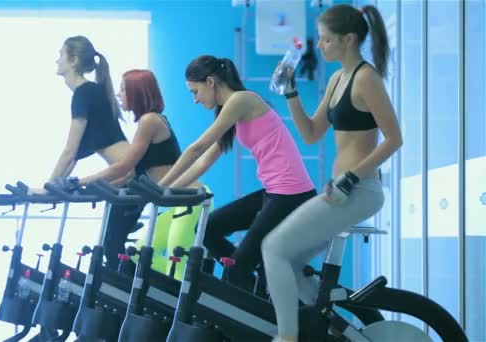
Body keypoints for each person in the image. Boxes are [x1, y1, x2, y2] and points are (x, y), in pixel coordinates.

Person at [261, 5, 403, 341]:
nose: (320, 45)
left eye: (326, 39)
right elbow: (311, 133)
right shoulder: (337, 79)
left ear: (348, 39)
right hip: (341, 190)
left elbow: (395, 139)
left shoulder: (366, 78)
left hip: (360, 189)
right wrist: (290, 92)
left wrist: (352, 176)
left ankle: (287, 337)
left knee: (273, 248)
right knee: (288, 260)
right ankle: (334, 329)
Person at [158, 55, 317, 292]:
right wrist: (168, 192)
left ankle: (254, 283)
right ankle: (258, 281)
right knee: (208, 230)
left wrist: (160, 187)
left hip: (291, 195)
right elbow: (203, 162)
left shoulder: (242, 100)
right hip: (274, 193)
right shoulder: (232, 109)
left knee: (237, 268)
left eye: (195, 91)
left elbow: (197, 147)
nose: (195, 100)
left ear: (210, 81)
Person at [78, 69, 205, 279]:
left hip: (190, 201)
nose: (118, 95)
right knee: (135, 254)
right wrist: (94, 188)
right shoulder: (148, 121)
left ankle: (180, 303)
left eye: (123, 90)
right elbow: (130, 175)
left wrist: (79, 181)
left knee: (179, 265)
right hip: (175, 202)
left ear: (137, 93)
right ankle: (146, 297)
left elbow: (124, 165)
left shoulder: (150, 121)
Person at [33, 35, 133, 270]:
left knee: (112, 247)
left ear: (74, 60)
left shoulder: (84, 94)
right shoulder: (90, 92)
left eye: (61, 55)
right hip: (126, 176)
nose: (57, 60)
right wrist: (54, 186)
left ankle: (135, 299)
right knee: (112, 247)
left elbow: (69, 151)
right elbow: (74, 155)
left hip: (132, 176)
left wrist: (49, 187)